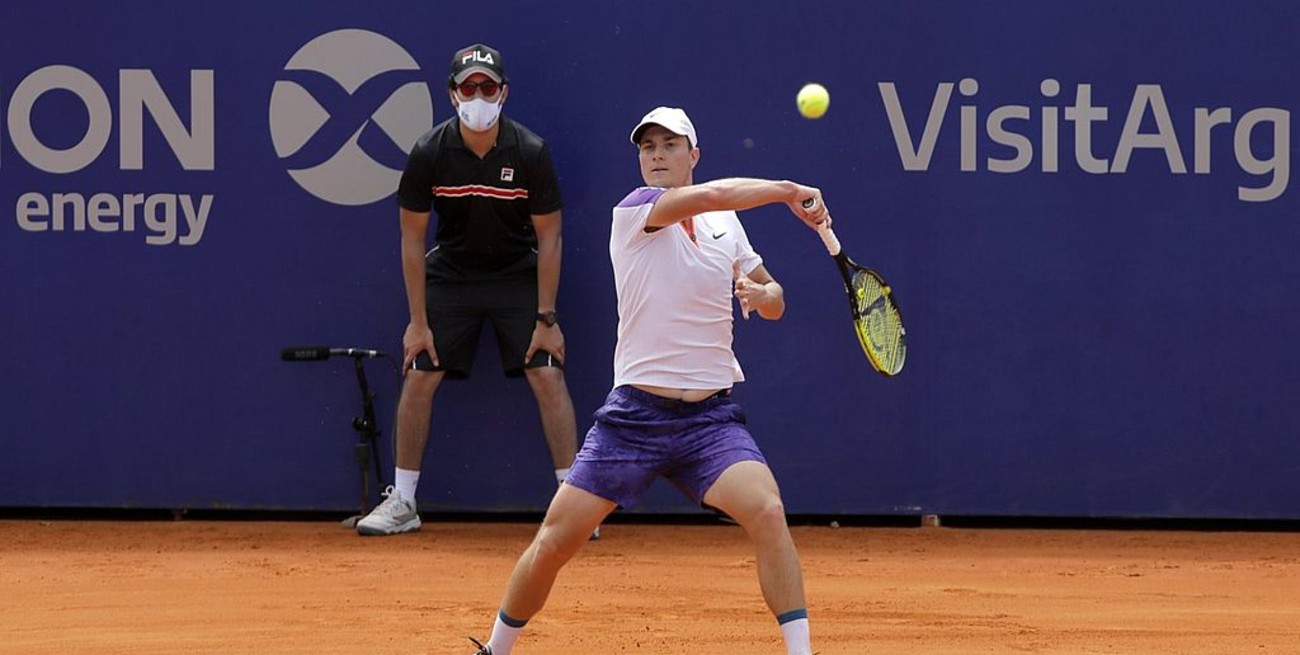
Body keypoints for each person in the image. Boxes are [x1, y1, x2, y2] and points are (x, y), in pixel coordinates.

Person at [460, 106, 828, 655]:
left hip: (710, 421)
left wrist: (764, 295)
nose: (656, 154)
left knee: (768, 511)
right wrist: (786, 189)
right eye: (647, 146)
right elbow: (710, 196)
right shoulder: (634, 211)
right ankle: (496, 648)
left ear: (693, 155)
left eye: (670, 145)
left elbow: (771, 295)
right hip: (634, 420)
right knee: (556, 540)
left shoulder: (728, 226)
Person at [356, 43, 585, 537]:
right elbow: (413, 240)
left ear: (504, 94)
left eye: (487, 87)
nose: (478, 96)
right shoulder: (429, 153)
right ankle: (404, 502)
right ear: (452, 95)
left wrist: (547, 318)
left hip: (516, 274)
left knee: (547, 374)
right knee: (419, 373)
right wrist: (418, 322)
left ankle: (572, 506)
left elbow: (550, 236)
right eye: (468, 87)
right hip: (452, 274)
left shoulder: (529, 152)